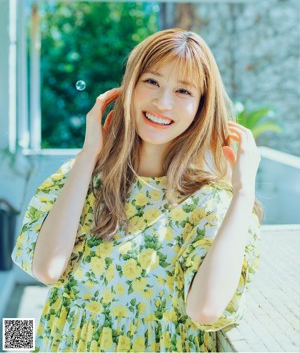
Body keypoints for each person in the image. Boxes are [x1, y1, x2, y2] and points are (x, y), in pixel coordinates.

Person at [12, 28, 263, 353]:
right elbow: (47, 269)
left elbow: (205, 309)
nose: (163, 102)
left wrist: (243, 192)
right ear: (128, 87)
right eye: (152, 82)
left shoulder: (212, 201)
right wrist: (89, 155)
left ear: (202, 105)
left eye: (184, 91)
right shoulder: (84, 178)